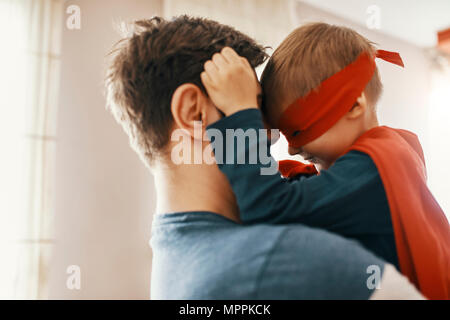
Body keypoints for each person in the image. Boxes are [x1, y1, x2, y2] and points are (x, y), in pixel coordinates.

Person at [105, 16, 423, 299]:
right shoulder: (288, 259)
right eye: (251, 106)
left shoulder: (171, 254)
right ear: (194, 112)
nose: (269, 134)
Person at [200, 23, 449, 299]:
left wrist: (239, 114)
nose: (292, 149)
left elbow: (270, 210)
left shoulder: (377, 165)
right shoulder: (385, 158)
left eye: (299, 130)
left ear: (354, 105)